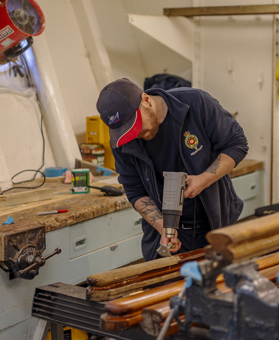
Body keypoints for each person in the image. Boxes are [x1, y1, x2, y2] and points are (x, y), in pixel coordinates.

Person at [96, 78, 248, 261]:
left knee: (216, 286)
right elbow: (135, 190)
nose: (134, 135)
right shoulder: (123, 139)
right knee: (162, 288)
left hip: (215, 226)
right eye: (127, 132)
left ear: (146, 100)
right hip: (165, 237)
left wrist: (203, 179)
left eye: (135, 126)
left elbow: (237, 144)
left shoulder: (196, 103)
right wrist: (163, 228)